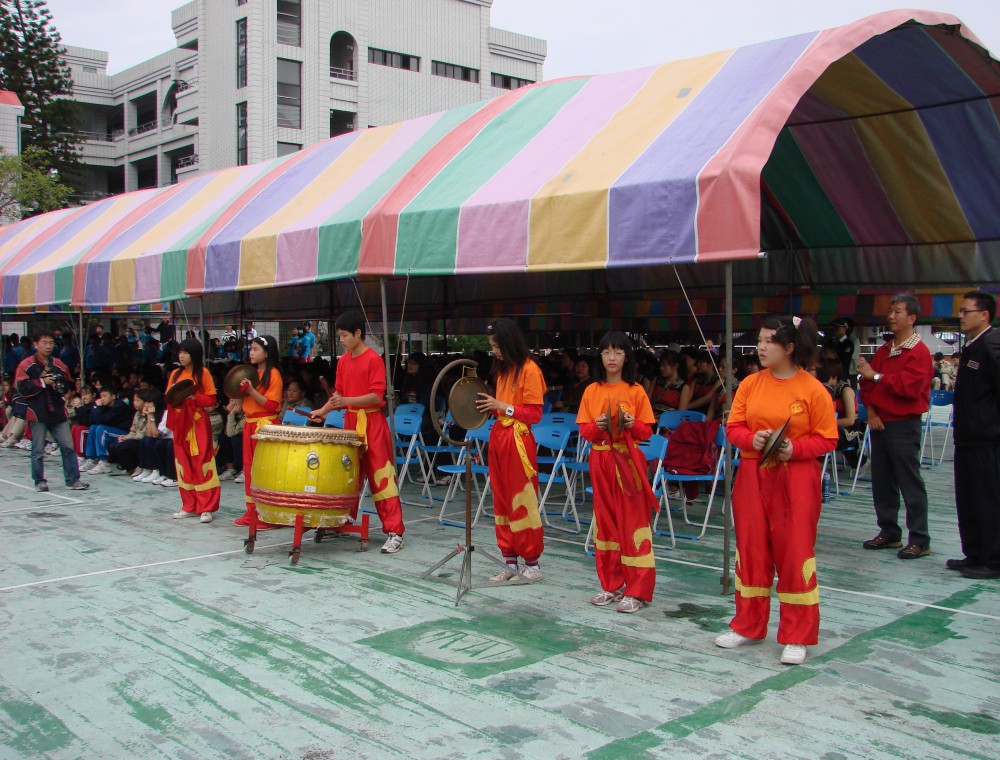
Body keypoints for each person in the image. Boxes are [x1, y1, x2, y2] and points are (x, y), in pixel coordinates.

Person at [714, 316, 837, 665]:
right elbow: (733, 427)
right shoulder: (750, 384)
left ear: (790, 347)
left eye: (769, 341)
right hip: (753, 473)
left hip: (796, 477)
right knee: (751, 548)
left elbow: (828, 438)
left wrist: (795, 449)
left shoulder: (813, 389)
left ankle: (797, 634)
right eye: (760, 340)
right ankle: (748, 625)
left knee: (795, 551)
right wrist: (750, 438)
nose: (761, 347)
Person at [309, 310, 406, 554]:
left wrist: (345, 401)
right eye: (339, 335)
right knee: (347, 475)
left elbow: (376, 396)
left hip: (371, 422)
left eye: (344, 335)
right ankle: (341, 521)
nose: (341, 340)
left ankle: (395, 531)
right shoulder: (343, 361)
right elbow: (338, 395)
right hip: (351, 422)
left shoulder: (373, 360)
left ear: (358, 333)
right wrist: (323, 410)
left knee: (381, 476)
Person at [577, 332, 658, 613]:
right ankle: (611, 584)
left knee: (632, 522)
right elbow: (584, 431)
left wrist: (632, 424)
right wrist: (598, 426)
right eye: (607, 352)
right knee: (606, 522)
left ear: (627, 357)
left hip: (627, 459)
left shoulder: (635, 390)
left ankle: (637, 589)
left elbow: (646, 431)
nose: (612, 358)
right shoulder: (592, 390)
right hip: (600, 459)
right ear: (600, 356)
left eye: (618, 352)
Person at [858, 294, 934, 559]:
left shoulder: (919, 352)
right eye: (890, 311)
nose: (891, 316)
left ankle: (920, 538)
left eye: (897, 311)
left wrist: (876, 376)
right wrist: (871, 411)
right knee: (882, 480)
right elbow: (865, 383)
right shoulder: (885, 350)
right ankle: (889, 531)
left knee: (908, 480)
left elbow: (909, 387)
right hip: (880, 422)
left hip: (904, 423)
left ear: (912, 318)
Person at [474, 318, 547, 581]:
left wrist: (502, 406)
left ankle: (532, 564)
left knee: (521, 499)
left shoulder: (530, 370)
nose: (494, 351)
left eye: (497, 346)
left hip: (518, 438)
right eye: (492, 346)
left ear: (508, 342)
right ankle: (510, 561)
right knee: (502, 500)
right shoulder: (504, 370)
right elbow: (501, 408)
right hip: (500, 436)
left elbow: (534, 414)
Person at [950, 292, 1000, 580]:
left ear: (984, 315)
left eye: (966, 311)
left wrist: (991, 427)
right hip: (966, 437)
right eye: (960, 310)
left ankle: (993, 559)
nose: (961, 315)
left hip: (986, 439)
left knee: (986, 499)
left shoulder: (991, 346)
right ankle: (975, 553)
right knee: (967, 499)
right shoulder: (970, 347)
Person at [14, 330, 90, 492]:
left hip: (57, 411)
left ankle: (73, 479)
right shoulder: (26, 365)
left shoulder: (59, 364)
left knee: (68, 446)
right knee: (38, 449)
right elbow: (21, 387)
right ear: (36, 345)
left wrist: (59, 385)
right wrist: (42, 382)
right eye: (45, 343)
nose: (48, 346)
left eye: (51, 343)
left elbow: (69, 384)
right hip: (37, 411)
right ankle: (39, 480)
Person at [165, 338, 221, 522]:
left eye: (185, 352)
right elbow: (170, 398)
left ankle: (206, 508)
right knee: (183, 463)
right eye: (180, 352)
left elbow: (211, 399)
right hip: (181, 423)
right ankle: (189, 505)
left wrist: (195, 399)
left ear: (195, 354)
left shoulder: (203, 373)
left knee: (202, 462)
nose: (181, 356)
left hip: (197, 422)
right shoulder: (175, 374)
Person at [231, 336, 284, 527]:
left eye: (255, 349)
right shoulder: (251, 374)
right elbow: (246, 400)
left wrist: (251, 391)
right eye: (251, 348)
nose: (251, 352)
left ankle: (268, 514)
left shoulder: (274, 375)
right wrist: (238, 399)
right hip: (250, 425)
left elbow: (272, 405)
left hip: (266, 426)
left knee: (266, 469)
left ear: (267, 353)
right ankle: (252, 512)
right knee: (250, 469)